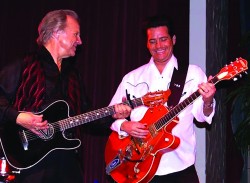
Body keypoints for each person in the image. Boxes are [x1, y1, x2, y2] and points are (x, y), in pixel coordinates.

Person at [0, 9, 131, 183]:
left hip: (69, 164)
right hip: (31, 164)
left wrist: (112, 116)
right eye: (76, 34)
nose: (80, 41)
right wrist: (18, 117)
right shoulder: (24, 65)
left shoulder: (73, 75)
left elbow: (86, 119)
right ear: (56, 32)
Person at [108, 15, 216, 183]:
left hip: (180, 168)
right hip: (139, 168)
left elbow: (202, 116)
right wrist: (125, 125)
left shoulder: (192, 74)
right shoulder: (132, 78)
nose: (158, 46)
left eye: (163, 39)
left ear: (173, 39)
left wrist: (208, 101)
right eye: (152, 41)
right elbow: (111, 114)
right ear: (146, 44)